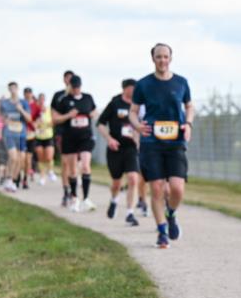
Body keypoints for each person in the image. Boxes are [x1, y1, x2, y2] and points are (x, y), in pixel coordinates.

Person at [129, 43, 194, 248]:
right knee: (156, 188)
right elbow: (133, 111)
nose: (162, 60)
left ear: (171, 58)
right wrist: (138, 127)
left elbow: (189, 106)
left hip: (175, 142)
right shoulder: (143, 84)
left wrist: (189, 124)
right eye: (159, 57)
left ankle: (171, 213)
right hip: (151, 143)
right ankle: (162, 231)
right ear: (153, 59)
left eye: (166, 57)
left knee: (177, 189)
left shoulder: (181, 82)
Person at [97, 79, 141, 226]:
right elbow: (100, 123)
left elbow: (142, 125)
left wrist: (138, 140)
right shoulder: (115, 103)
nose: (134, 91)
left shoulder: (139, 105)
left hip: (131, 148)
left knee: (133, 178)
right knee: (116, 182)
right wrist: (109, 139)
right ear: (125, 89)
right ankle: (114, 200)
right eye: (132, 88)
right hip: (115, 148)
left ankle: (130, 213)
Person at [55, 75, 97, 212]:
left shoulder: (87, 98)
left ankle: (86, 198)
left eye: (78, 87)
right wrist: (68, 115)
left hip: (85, 137)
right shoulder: (64, 100)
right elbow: (55, 119)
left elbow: (94, 111)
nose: (76, 90)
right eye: (74, 88)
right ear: (70, 87)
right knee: (72, 170)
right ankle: (74, 197)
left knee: (85, 165)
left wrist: (91, 114)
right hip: (70, 138)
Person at [0, 83, 31, 193]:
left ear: (18, 89)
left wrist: (21, 109)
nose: (13, 90)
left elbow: (29, 119)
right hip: (9, 133)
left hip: (21, 134)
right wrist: (4, 121)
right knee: (13, 157)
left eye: (14, 88)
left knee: (21, 159)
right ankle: (8, 178)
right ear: (9, 90)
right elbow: (0, 117)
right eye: (11, 88)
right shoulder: (4, 103)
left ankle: (12, 180)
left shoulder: (24, 102)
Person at [51, 71, 75, 207]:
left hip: (78, 135)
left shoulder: (81, 97)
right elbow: (54, 115)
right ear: (64, 80)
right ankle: (66, 191)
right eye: (67, 79)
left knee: (75, 165)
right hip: (63, 132)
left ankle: (74, 190)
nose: (70, 81)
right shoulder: (59, 96)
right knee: (65, 163)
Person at [33, 92, 57, 185]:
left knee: (49, 156)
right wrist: (37, 122)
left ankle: (50, 171)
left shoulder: (49, 110)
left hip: (48, 136)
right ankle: (42, 176)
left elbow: (53, 122)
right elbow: (33, 124)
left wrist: (47, 123)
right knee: (40, 157)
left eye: (43, 100)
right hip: (38, 137)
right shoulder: (35, 111)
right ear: (38, 101)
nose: (42, 102)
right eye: (40, 100)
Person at [22, 87, 40, 189]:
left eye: (29, 93)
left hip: (31, 135)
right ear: (24, 94)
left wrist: (36, 124)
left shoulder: (36, 106)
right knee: (21, 159)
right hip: (20, 134)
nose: (28, 95)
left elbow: (39, 118)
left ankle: (25, 179)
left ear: (32, 94)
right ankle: (18, 176)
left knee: (28, 159)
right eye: (26, 93)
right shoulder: (20, 105)